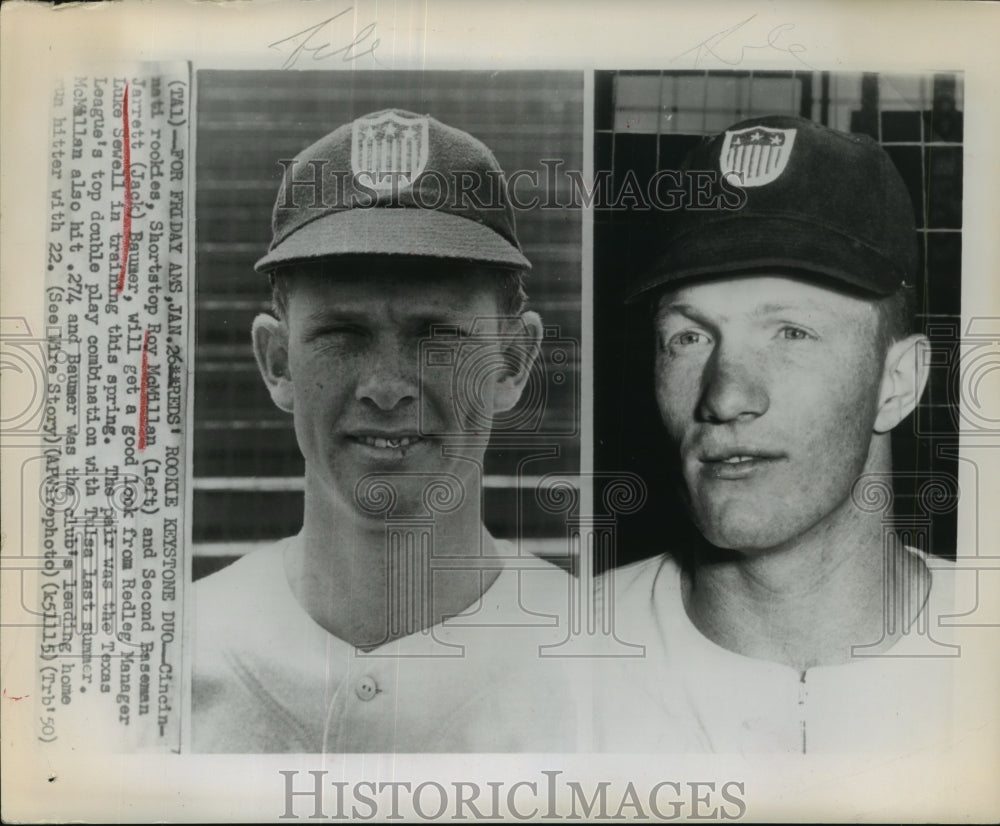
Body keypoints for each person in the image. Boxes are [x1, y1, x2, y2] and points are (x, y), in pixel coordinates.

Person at [191, 109, 579, 753]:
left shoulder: (611, 669)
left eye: (438, 335)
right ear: (277, 362)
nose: (387, 386)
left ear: (512, 363)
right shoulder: (161, 667)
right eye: (343, 335)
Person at [595, 115, 970, 754]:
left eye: (791, 333)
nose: (726, 396)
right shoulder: (561, 661)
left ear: (898, 381)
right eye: (689, 338)